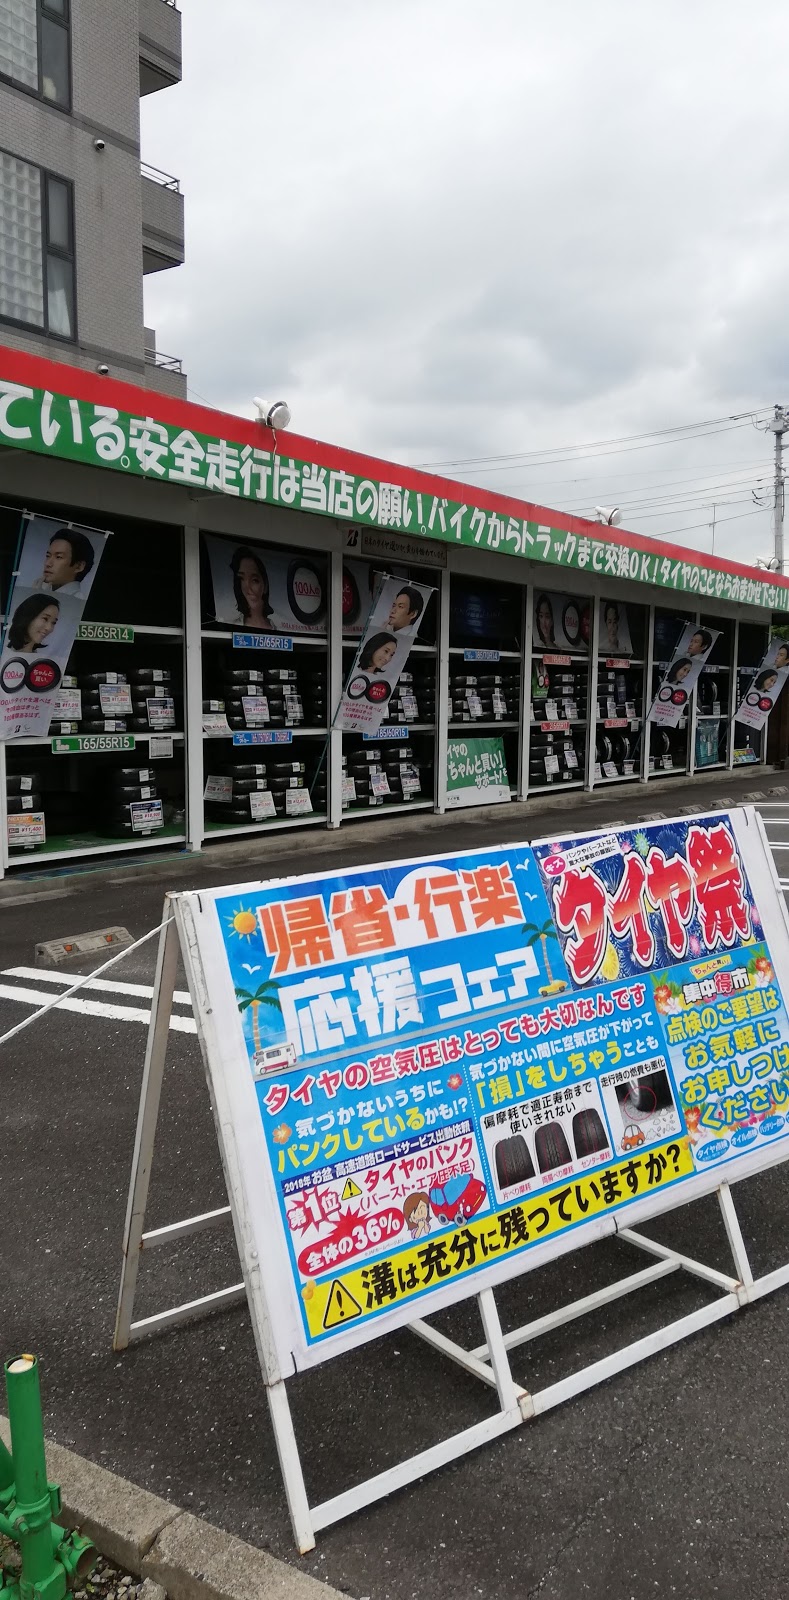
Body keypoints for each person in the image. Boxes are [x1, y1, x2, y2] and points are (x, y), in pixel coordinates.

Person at [230, 546, 288, 631]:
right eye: (241, 579)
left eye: (254, 580)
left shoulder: (278, 629)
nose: (248, 587)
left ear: (265, 586)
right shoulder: (233, 627)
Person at [34, 529, 95, 597]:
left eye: (58, 557)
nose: (47, 563)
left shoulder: (76, 602)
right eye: (48, 556)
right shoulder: (47, 594)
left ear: (79, 566)